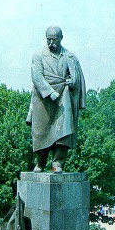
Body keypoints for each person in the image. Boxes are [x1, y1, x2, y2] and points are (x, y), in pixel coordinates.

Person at [26, 26, 86, 173]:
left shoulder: (70, 57)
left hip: (63, 100)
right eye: (49, 39)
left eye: (54, 39)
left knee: (63, 132)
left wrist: (73, 83)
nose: (51, 42)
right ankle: (40, 163)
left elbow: (78, 80)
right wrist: (49, 91)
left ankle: (57, 163)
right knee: (40, 132)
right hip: (43, 100)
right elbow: (37, 76)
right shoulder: (38, 55)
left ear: (61, 38)